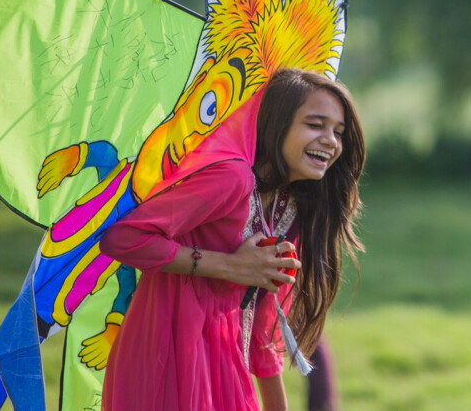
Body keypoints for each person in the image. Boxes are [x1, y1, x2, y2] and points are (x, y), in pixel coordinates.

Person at [100, 68, 365, 411]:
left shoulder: (292, 204)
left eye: (338, 131)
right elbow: (123, 238)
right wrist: (229, 266)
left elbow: (263, 329)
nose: (331, 140)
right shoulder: (232, 178)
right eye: (315, 125)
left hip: (225, 362)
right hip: (166, 354)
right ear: (277, 124)